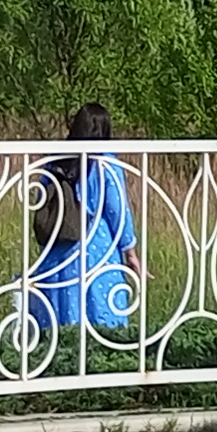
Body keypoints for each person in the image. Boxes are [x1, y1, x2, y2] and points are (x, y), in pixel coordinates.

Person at [28, 102, 138, 342]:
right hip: (97, 250)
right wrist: (129, 250)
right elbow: (117, 209)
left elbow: (41, 199)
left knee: (60, 321)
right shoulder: (106, 162)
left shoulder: (55, 160)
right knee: (103, 323)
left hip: (58, 249)